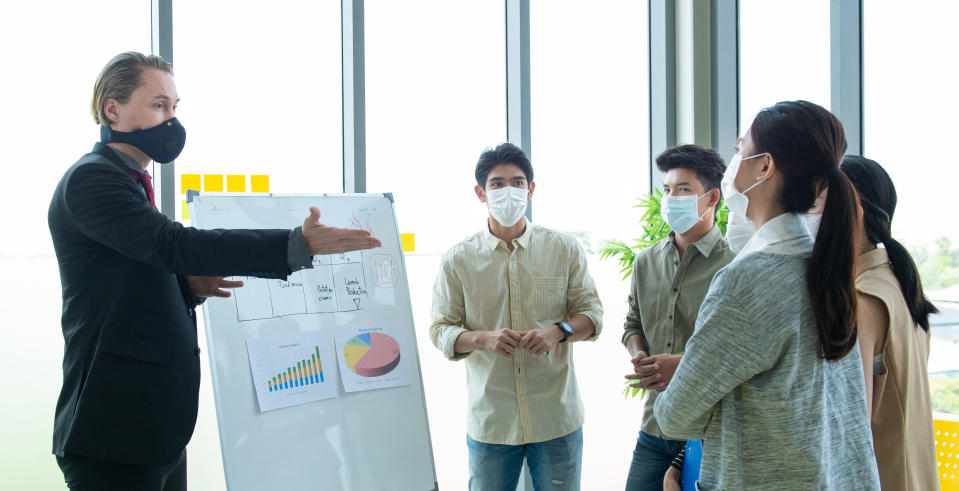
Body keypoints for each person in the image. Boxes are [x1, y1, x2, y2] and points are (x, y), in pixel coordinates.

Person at [49, 52, 381, 491]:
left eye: (174, 107)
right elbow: (170, 245)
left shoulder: (129, 183)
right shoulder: (92, 179)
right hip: (113, 432)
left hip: (153, 432)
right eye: (158, 105)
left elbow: (130, 279)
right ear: (113, 109)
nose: (171, 120)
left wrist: (188, 290)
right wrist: (294, 245)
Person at [652, 100, 880, 489]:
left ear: (764, 166)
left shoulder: (750, 279)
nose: (733, 163)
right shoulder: (822, 266)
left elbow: (675, 416)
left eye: (741, 149)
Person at [429, 143, 603, 491]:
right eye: (497, 184)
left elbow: (592, 314)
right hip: (492, 421)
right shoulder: (457, 259)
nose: (509, 191)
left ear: (531, 189)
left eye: (518, 182)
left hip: (555, 417)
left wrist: (559, 330)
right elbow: (440, 329)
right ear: (481, 193)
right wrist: (481, 338)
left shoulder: (564, 248)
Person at [620, 145, 734, 491]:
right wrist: (638, 352)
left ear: (712, 197)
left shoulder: (735, 266)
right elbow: (632, 324)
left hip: (708, 432)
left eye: (683, 190)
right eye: (667, 190)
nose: (671, 199)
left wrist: (682, 365)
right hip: (655, 427)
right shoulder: (646, 261)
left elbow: (738, 352)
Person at [841, 155, 939, 490]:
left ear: (853, 207)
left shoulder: (863, 298)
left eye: (819, 200)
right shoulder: (898, 284)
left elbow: (849, 430)